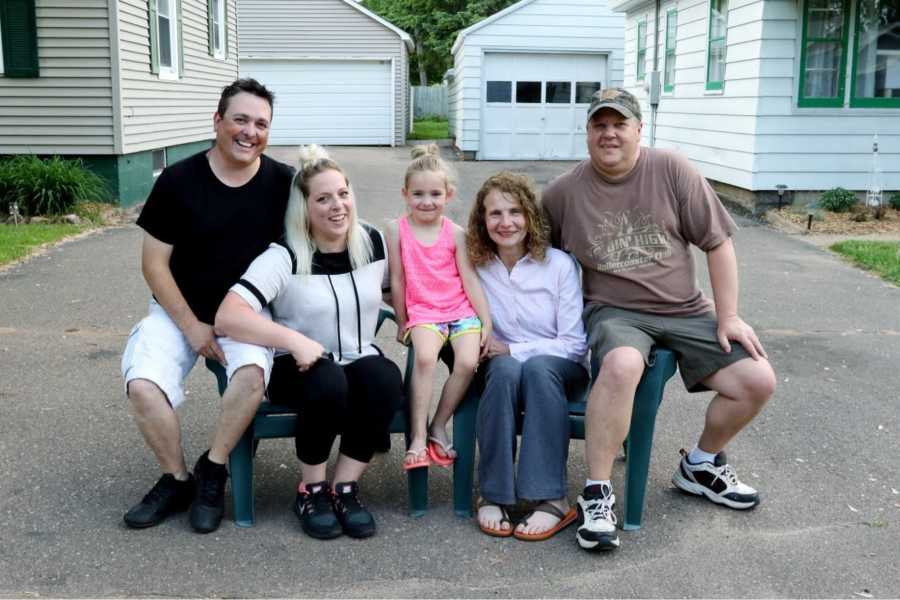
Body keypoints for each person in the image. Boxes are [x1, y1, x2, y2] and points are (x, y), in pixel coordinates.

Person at [542, 88, 777, 552]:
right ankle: (597, 493)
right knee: (623, 365)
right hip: (614, 312)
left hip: (684, 308)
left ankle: (701, 464)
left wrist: (727, 315)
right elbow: (535, 258)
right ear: (588, 132)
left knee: (756, 379)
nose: (609, 133)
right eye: (599, 125)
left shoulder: (671, 170)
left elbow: (717, 242)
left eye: (619, 124)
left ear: (638, 130)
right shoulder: (563, 193)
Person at [121, 79, 293, 533]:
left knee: (252, 378)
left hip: (247, 315)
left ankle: (213, 470)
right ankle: (176, 479)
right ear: (217, 121)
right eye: (240, 119)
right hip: (179, 310)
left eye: (261, 123)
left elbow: (326, 230)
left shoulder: (284, 183)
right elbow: (154, 264)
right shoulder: (178, 180)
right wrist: (192, 326)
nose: (249, 131)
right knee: (142, 385)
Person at [215, 145, 403, 540]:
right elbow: (228, 316)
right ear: (304, 208)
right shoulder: (283, 255)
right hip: (297, 367)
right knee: (329, 381)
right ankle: (311, 490)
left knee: (384, 377)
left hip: (356, 355)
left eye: (343, 194)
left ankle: (345, 487)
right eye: (323, 198)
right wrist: (293, 341)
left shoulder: (371, 242)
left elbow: (389, 294)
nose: (338, 206)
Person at [466, 172, 589, 541]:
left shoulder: (558, 266)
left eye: (515, 211)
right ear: (482, 221)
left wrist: (515, 349)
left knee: (535, 368)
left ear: (530, 216)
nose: (506, 223)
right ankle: (495, 493)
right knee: (503, 370)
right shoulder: (476, 266)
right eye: (495, 214)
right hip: (500, 370)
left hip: (558, 369)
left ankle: (550, 496)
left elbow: (573, 343)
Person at [385, 144, 492, 471]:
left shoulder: (455, 233)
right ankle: (417, 436)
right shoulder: (396, 229)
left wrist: (485, 321)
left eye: (435, 194)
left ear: (448, 194)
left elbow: (470, 280)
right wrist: (403, 321)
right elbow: (398, 279)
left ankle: (438, 424)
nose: (426, 202)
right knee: (426, 359)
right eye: (418, 194)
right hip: (424, 313)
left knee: (468, 362)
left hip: (460, 310)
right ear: (405, 193)